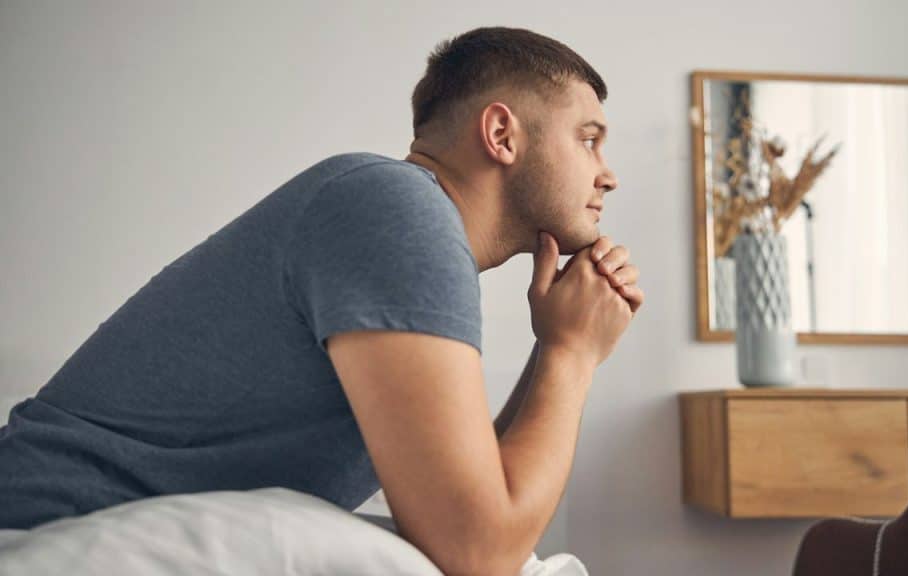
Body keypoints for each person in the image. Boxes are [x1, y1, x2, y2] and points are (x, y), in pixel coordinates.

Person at [0, 26, 642, 575]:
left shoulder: (405, 220)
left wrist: (553, 345)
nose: (607, 172)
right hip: (45, 523)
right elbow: (477, 551)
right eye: (589, 138)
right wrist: (572, 355)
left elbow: (470, 496)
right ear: (502, 133)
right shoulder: (399, 208)